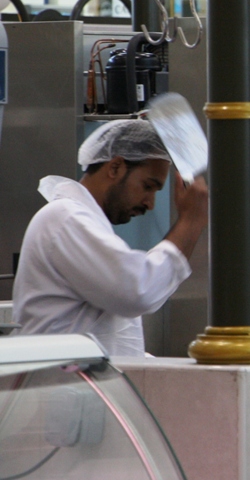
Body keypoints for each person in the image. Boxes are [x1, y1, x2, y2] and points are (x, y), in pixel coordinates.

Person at [13, 120, 209, 356]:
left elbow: (111, 334)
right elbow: (137, 290)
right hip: (58, 387)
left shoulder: (82, 222)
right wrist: (190, 221)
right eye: (148, 186)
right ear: (115, 167)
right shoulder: (65, 218)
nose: (150, 203)